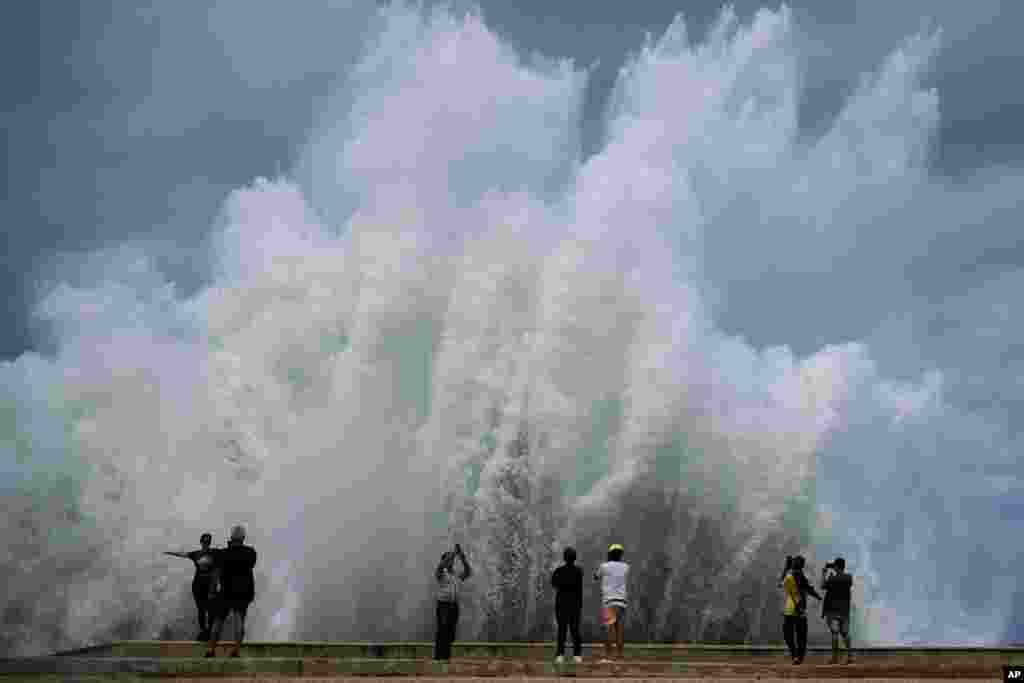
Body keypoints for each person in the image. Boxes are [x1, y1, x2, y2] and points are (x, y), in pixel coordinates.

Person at [205, 525, 257, 658]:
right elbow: (250, 566)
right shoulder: (251, 553)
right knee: (239, 619)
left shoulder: (222, 554)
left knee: (218, 620)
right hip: (243, 591)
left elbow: (216, 573)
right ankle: (236, 651)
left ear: (231, 537)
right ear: (243, 538)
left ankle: (211, 650)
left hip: (225, 590)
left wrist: (211, 591)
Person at [165, 533, 219, 640]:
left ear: (210, 543)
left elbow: (227, 554)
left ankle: (209, 631)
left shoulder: (215, 553)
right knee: (201, 609)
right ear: (201, 542)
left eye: (208, 542)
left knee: (211, 609)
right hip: (198, 585)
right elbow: (183, 554)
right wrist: (169, 552)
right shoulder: (196, 554)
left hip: (210, 586)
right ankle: (204, 631)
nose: (206, 544)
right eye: (204, 542)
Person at [434, 543, 472, 661]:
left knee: (451, 632)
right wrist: (454, 553)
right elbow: (442, 565)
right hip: (444, 605)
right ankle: (439, 657)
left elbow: (468, 572)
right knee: (443, 630)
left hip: (454, 605)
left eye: (452, 560)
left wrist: (462, 557)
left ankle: (446, 656)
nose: (451, 561)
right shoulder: (441, 573)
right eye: (449, 560)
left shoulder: (455, 574)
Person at [782, 555, 822, 665]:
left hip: (792, 608)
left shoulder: (791, 574)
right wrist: (817, 596)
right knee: (800, 634)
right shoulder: (797, 575)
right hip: (798, 608)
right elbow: (808, 588)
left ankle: (796, 655)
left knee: (789, 634)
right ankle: (798, 656)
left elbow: (781, 583)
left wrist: (786, 567)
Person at [593, 543, 629, 663]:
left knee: (609, 629)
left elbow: (596, 576)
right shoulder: (626, 567)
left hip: (609, 601)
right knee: (619, 630)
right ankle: (620, 656)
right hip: (622, 601)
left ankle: (608, 657)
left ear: (609, 554)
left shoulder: (604, 566)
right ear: (621, 554)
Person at [551, 547, 583, 664]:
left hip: (561, 604)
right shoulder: (579, 571)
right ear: (575, 558)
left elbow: (554, 584)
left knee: (562, 630)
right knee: (575, 630)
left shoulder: (559, 571)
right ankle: (577, 655)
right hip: (575, 604)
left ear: (564, 558)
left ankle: (560, 655)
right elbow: (578, 588)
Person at [821, 557, 854, 664]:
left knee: (834, 633)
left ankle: (835, 658)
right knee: (845, 633)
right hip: (844, 610)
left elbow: (822, 586)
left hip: (832, 610)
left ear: (835, 566)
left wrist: (824, 574)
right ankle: (849, 657)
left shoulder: (832, 579)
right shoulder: (849, 578)